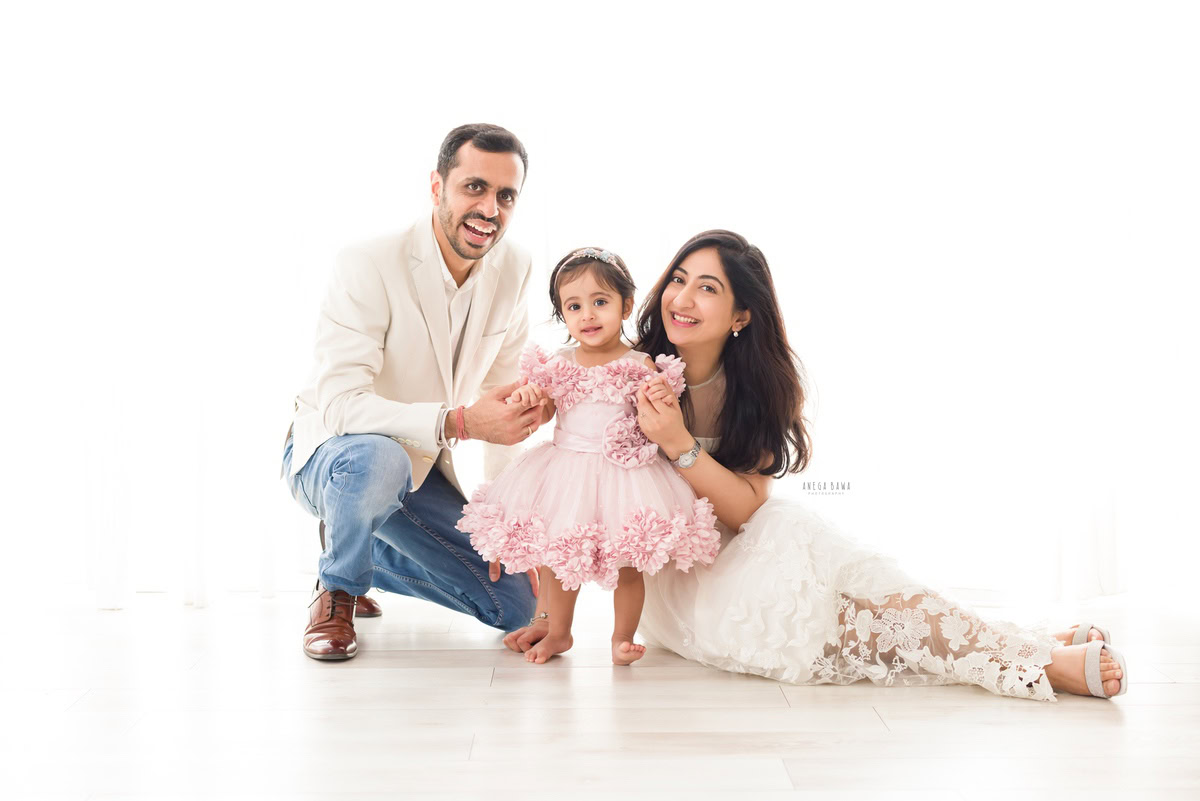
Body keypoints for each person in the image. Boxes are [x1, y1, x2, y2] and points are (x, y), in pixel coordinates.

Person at [504, 230, 1130, 701]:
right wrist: (546, 616)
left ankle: (1027, 646)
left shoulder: (756, 387)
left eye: (708, 287)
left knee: (862, 576)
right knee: (850, 625)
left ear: (741, 314)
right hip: (686, 578)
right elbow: (571, 494)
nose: (682, 298)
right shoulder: (619, 363)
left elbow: (749, 507)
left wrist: (678, 443)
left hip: (748, 538)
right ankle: (1035, 665)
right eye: (679, 278)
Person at [282, 123, 542, 660]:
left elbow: (503, 401)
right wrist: (460, 423)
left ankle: (361, 552)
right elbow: (341, 405)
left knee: (514, 604)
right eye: (474, 187)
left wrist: (504, 525)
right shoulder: (368, 262)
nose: (489, 209)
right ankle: (337, 590)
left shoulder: (514, 266)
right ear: (436, 185)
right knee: (377, 457)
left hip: (418, 465)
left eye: (505, 196)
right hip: (335, 454)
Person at [457, 247, 720, 666]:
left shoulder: (640, 364)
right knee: (561, 557)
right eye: (574, 306)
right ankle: (557, 631)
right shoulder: (560, 364)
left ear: (625, 305)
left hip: (625, 477)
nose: (588, 315)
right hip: (565, 472)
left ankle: (622, 638)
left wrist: (659, 394)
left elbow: (661, 412)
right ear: (563, 315)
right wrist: (530, 396)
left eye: (600, 302)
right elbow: (542, 413)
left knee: (630, 565)